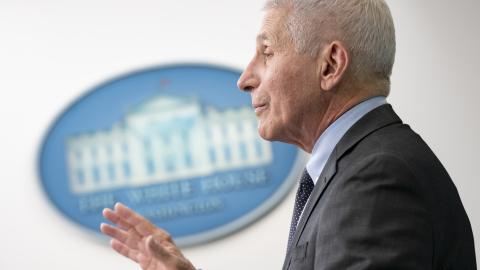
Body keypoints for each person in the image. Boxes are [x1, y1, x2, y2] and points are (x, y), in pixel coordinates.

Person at [100, 0, 477, 269]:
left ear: (330, 65)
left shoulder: (377, 178)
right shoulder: (356, 170)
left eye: (266, 52)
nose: (245, 79)